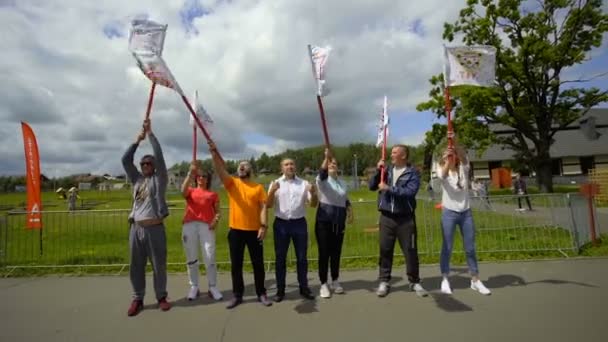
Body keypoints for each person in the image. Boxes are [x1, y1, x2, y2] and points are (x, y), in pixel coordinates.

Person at [208, 141, 272, 309]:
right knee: (236, 265)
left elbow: (264, 207)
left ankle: (261, 293)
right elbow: (220, 171)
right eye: (239, 166)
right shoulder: (232, 184)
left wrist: (264, 226)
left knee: (258, 264)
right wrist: (214, 153)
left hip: (254, 231)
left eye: (244, 165)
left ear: (250, 170)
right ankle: (238, 295)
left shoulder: (257, 187)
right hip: (236, 231)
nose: (241, 167)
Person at [121, 118, 171, 316]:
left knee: (159, 265)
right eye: (143, 163)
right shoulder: (136, 179)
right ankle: (137, 299)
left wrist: (150, 134)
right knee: (136, 266)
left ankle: (161, 297)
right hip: (136, 228)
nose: (145, 165)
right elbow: (125, 160)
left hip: (155, 228)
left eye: (149, 163)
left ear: (154, 165)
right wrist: (136, 140)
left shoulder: (160, 178)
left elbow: (159, 154)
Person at [369, 144, 428, 298]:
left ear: (403, 155)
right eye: (391, 152)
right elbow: (371, 186)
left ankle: (414, 281)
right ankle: (384, 281)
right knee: (385, 250)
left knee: (410, 251)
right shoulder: (385, 170)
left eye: (395, 152)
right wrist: (377, 171)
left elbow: (410, 192)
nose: (391, 154)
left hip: (406, 218)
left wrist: (389, 188)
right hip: (387, 217)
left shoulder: (412, 173)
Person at [436, 143, 491, 295]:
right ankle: (445, 278)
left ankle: (475, 279)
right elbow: (443, 176)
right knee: (447, 247)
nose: (452, 157)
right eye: (448, 155)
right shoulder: (441, 169)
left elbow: (465, 160)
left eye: (453, 155)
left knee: (470, 247)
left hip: (466, 212)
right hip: (449, 212)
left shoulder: (463, 169)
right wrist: (447, 160)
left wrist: (455, 144)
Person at [267, 158, 317, 302]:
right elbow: (268, 205)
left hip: (299, 223)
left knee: (302, 258)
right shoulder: (275, 183)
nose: (290, 166)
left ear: (296, 167)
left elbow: (313, 204)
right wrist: (272, 192)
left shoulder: (304, 184)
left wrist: (313, 193)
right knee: (280, 258)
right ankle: (280, 290)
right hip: (281, 224)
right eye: (286, 164)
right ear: (281, 168)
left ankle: (304, 287)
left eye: (292, 164)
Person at [181, 160, 223, 301]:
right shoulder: (191, 191)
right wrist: (190, 173)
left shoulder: (213, 195)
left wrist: (215, 221)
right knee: (191, 257)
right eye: (198, 176)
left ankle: (212, 286)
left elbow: (218, 212)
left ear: (208, 179)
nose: (201, 178)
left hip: (206, 226)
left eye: (204, 176)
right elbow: (182, 191)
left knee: (209, 256)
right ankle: (194, 286)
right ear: (195, 178)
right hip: (189, 225)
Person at [315, 148, 353, 299]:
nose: (332, 165)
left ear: (338, 167)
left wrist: (350, 209)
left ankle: (335, 280)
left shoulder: (342, 183)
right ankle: (323, 283)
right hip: (324, 222)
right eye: (330, 163)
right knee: (324, 253)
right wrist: (326, 157)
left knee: (336, 253)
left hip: (339, 222)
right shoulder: (322, 181)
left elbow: (344, 198)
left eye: (334, 163)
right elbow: (322, 173)